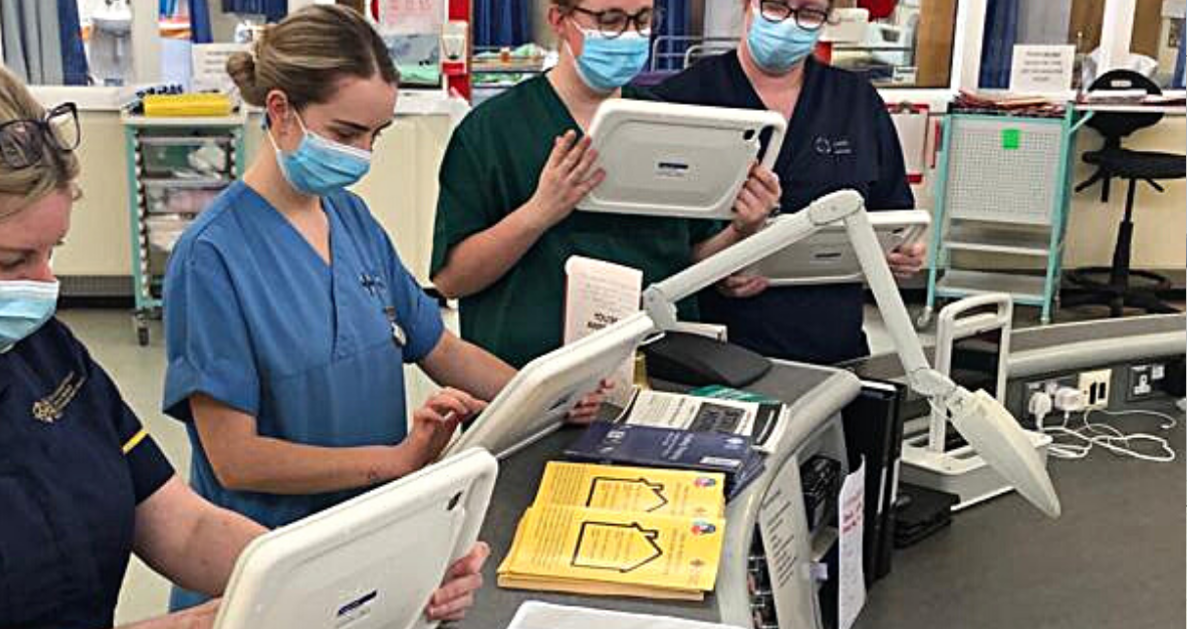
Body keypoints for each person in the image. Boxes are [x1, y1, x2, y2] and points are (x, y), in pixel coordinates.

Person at [0, 38, 484, 629]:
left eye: (52, 251)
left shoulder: (29, 350)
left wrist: (362, 575)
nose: (42, 284)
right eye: (10, 257)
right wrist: (237, 616)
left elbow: (177, 517)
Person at [161, 5, 602, 611]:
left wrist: (548, 395)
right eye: (345, 134)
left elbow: (438, 346)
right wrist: (392, 465)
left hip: (372, 548)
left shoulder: (353, 221)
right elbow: (236, 459)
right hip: (269, 566)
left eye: (376, 135)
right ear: (282, 111)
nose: (363, 154)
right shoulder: (211, 257)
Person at [429, 0, 782, 369]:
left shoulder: (668, 125)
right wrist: (539, 212)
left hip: (653, 373)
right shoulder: (493, 131)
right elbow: (453, 280)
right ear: (559, 20)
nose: (629, 35)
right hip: (528, 385)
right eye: (610, 20)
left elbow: (687, 258)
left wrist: (742, 230)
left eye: (642, 20)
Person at [650, 0, 926, 365]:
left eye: (809, 13)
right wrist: (718, 263)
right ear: (748, 5)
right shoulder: (683, 100)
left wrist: (901, 254)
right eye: (778, 7)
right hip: (716, 353)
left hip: (833, 346)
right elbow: (655, 248)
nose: (790, 25)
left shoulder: (854, 101)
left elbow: (889, 214)